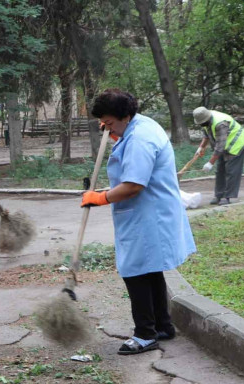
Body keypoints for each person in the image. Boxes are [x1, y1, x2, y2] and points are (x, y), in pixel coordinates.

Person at [82, 88, 196, 355]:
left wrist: (98, 198)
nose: (106, 128)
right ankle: (163, 326)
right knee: (151, 268)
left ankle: (145, 334)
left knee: (134, 271)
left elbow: (133, 185)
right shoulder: (139, 125)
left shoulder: (140, 139)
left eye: (109, 123)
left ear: (125, 115)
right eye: (104, 124)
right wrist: (115, 133)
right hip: (148, 212)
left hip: (148, 214)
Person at [191, 107, 244, 205]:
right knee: (220, 170)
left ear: (207, 118)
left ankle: (228, 197)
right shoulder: (205, 119)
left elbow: (219, 147)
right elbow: (206, 134)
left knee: (231, 171)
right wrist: (201, 147)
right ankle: (218, 195)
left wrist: (210, 163)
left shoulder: (220, 123)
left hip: (236, 143)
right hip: (223, 144)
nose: (201, 124)